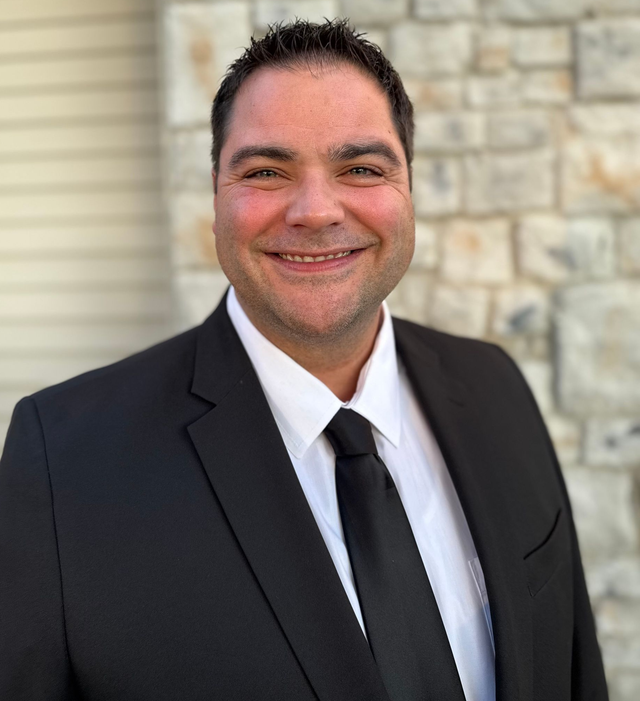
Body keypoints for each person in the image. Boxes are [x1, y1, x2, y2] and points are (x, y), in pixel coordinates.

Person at [0, 19, 608, 701]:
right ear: (215, 194)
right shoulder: (63, 459)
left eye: (361, 169)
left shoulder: (495, 385)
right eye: (266, 171)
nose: (316, 211)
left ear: (408, 188)